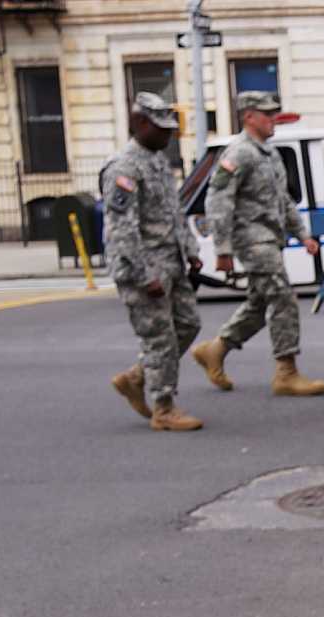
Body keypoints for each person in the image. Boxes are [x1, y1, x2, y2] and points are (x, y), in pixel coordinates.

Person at [190, 89, 324, 399]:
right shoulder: (238, 152)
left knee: (260, 302)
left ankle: (215, 349)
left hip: (269, 237)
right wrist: (222, 249)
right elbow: (218, 200)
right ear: (249, 116)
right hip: (251, 240)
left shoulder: (268, 152)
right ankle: (286, 372)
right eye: (267, 114)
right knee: (283, 298)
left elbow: (283, 199)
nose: (273, 119)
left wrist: (303, 234)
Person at [102, 92, 206, 431]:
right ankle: (164, 408)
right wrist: (146, 275)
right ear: (140, 124)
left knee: (188, 325)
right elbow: (122, 230)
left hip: (171, 261)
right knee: (159, 337)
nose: (168, 136)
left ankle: (136, 378)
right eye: (161, 129)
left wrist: (190, 250)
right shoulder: (123, 168)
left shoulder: (159, 163)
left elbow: (175, 213)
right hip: (143, 268)